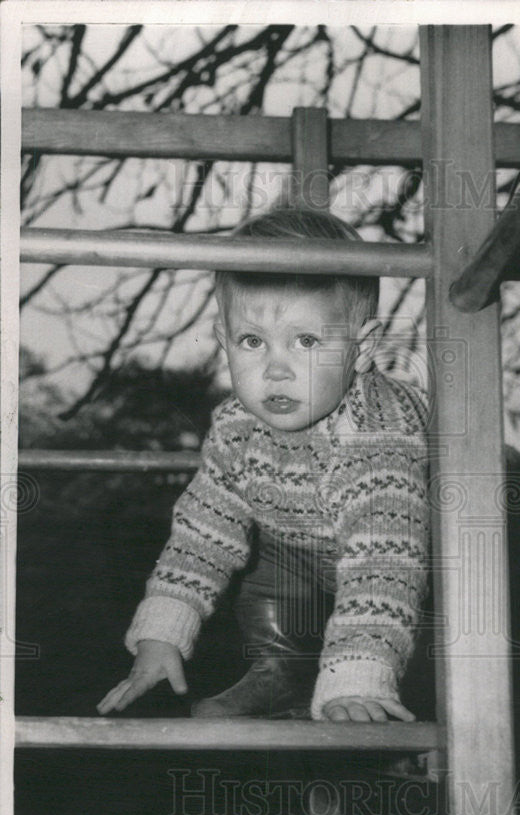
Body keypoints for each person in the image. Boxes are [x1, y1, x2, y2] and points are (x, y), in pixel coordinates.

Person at [97, 206, 430, 723]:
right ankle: (284, 670)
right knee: (261, 544)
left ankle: (418, 687)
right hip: (322, 545)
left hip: (465, 538)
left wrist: (358, 681)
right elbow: (201, 534)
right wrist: (162, 634)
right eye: (253, 341)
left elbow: (384, 563)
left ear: (361, 349)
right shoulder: (237, 427)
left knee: (460, 610)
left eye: (307, 341)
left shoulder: (375, 434)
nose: (276, 369)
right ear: (224, 338)